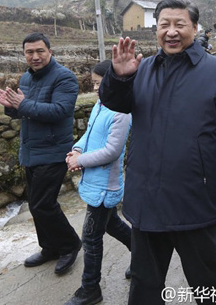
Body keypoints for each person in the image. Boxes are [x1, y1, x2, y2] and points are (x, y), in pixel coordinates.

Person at [101, 0, 216, 305]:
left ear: (195, 28)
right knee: (144, 286)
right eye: (164, 25)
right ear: (155, 29)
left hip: (192, 198)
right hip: (146, 197)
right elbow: (115, 103)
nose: (171, 32)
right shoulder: (142, 69)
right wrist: (119, 76)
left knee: (211, 286)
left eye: (180, 24)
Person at [0, 32, 82, 275]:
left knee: (43, 205)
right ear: (24, 55)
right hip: (30, 149)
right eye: (29, 52)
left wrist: (22, 105)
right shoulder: (26, 79)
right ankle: (49, 247)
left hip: (53, 151)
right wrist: (12, 108)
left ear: (50, 52)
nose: (35, 56)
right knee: (36, 204)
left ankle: (70, 244)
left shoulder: (65, 78)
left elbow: (59, 111)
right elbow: (26, 112)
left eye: (40, 51)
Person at [64, 60, 132, 305]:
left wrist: (82, 160)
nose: (95, 88)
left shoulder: (121, 112)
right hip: (93, 179)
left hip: (105, 184)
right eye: (93, 84)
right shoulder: (101, 105)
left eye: (99, 83)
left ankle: (90, 288)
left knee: (91, 237)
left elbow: (112, 151)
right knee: (112, 224)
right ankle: (143, 256)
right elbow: (89, 133)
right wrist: (77, 150)